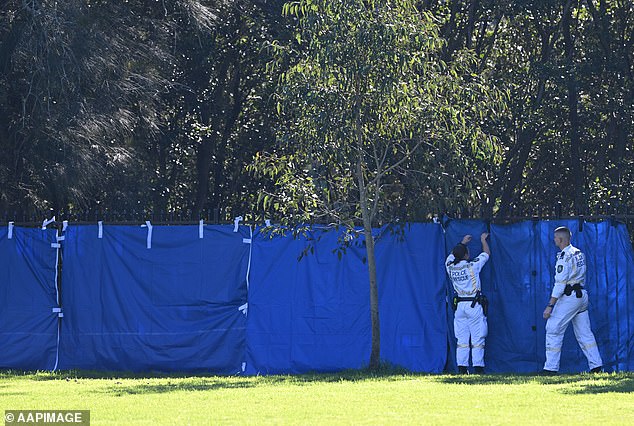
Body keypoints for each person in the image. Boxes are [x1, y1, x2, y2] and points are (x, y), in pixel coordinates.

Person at [542, 226, 603, 374]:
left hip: (570, 297)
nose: (554, 240)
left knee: (553, 328)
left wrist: (550, 305)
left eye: (555, 237)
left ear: (561, 239)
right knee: (584, 333)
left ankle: (550, 369)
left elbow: (560, 283)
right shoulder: (578, 253)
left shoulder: (564, 256)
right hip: (581, 295)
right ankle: (596, 366)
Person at [445, 233, 490, 374]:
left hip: (459, 307)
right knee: (477, 337)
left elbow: (451, 256)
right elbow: (486, 254)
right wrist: (483, 240)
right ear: (466, 255)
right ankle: (478, 368)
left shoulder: (450, 267)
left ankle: (462, 368)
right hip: (474, 305)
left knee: (462, 339)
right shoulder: (472, 265)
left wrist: (462, 243)